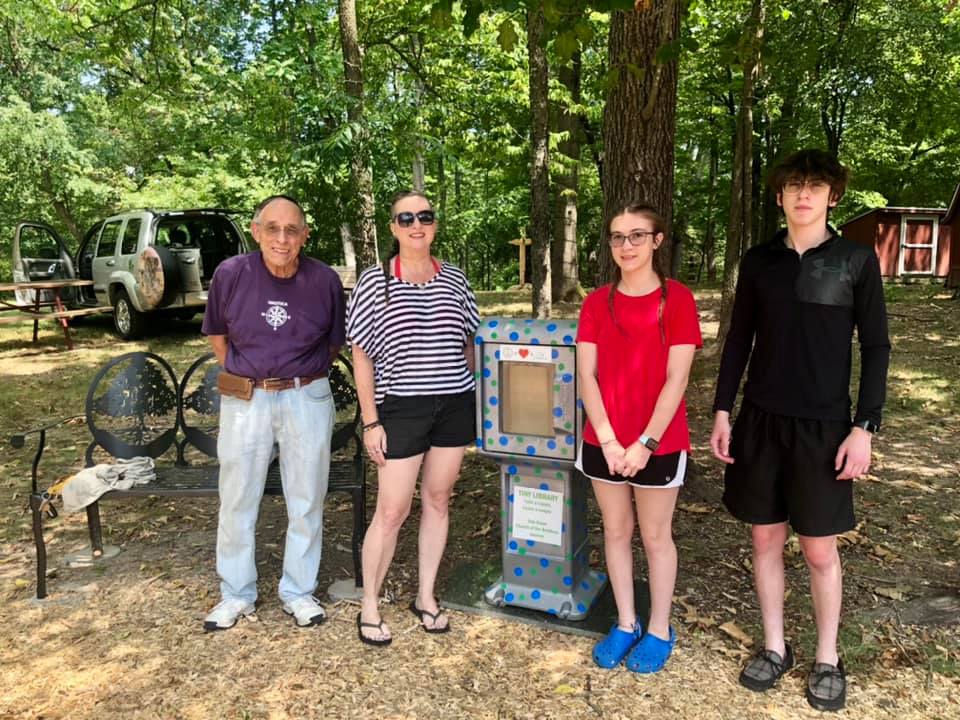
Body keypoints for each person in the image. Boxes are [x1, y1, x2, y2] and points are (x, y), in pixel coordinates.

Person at [710, 149, 890, 711]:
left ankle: (827, 658)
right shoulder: (759, 261)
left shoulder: (856, 261)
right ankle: (774, 646)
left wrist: (864, 427)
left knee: (817, 550)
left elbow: (877, 347)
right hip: (761, 420)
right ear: (780, 195)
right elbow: (738, 339)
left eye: (814, 186)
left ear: (832, 196)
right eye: (793, 186)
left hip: (825, 426)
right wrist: (722, 411)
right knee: (765, 539)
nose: (803, 195)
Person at [201, 195, 345, 631]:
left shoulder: (324, 280)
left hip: (306, 397)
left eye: (292, 230)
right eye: (273, 228)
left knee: (306, 499)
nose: (282, 238)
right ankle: (236, 594)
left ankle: (298, 591)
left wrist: (295, 376)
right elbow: (219, 338)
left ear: (304, 235)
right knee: (237, 497)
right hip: (247, 399)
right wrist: (252, 377)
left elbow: (333, 343)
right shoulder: (231, 274)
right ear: (256, 230)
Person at [346, 191, 479, 647]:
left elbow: (469, 342)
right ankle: (369, 604)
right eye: (407, 218)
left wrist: (477, 392)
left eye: (425, 216)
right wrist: (370, 421)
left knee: (438, 499)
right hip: (399, 408)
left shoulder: (456, 279)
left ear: (435, 223)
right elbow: (361, 355)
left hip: (454, 405)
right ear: (393, 227)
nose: (416, 224)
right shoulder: (374, 281)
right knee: (392, 510)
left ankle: (425, 596)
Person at [575, 203, 702, 673]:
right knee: (615, 530)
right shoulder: (595, 302)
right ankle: (626, 621)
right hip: (603, 438)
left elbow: (677, 380)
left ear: (657, 240)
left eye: (635, 235)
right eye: (616, 237)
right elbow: (586, 375)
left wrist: (644, 443)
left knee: (654, 535)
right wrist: (608, 440)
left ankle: (659, 628)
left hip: (659, 442)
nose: (625, 246)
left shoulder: (678, 300)